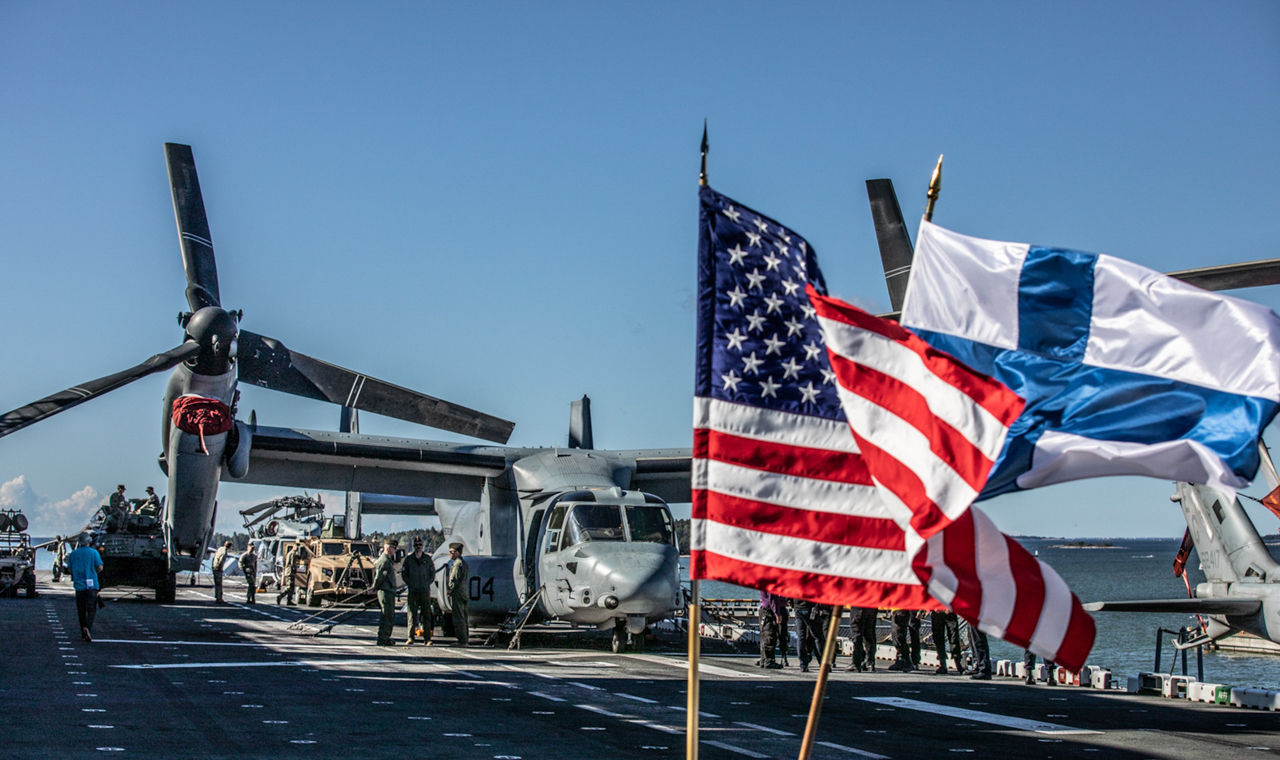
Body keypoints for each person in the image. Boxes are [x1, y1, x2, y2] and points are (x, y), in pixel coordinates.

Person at [67, 532, 104, 642]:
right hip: (92, 585)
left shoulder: (73, 554)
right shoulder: (94, 553)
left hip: (79, 585)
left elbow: (69, 569)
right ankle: (87, 627)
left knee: (81, 610)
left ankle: (83, 633)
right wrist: (93, 572)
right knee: (92, 610)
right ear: (89, 542)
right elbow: (100, 567)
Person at [402, 537, 434, 646]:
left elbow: (432, 574)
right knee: (412, 615)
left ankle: (427, 639)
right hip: (413, 591)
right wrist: (410, 583)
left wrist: (426, 583)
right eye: (416, 544)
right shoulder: (409, 560)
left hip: (425, 591)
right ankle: (410, 637)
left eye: (420, 544)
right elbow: (404, 574)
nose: (418, 546)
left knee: (427, 615)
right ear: (413, 545)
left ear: (422, 545)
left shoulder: (427, 559)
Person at [372, 538, 399, 646]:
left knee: (389, 614)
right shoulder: (384, 561)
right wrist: (375, 588)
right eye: (394, 548)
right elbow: (379, 577)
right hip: (385, 591)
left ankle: (386, 636)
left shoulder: (387, 560)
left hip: (389, 590)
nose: (395, 551)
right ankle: (383, 637)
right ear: (388, 548)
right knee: (387, 614)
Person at [793, 600, 831, 673]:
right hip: (810, 608)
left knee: (801, 637)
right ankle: (823, 663)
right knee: (818, 637)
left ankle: (803, 664)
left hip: (798, 608)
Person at [446, 542, 470, 647]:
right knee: (464, 616)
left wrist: (450, 589)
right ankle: (465, 638)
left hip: (458, 592)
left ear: (457, 552)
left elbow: (454, 579)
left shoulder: (457, 564)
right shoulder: (463, 563)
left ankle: (462, 640)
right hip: (463, 591)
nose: (450, 554)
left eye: (451, 552)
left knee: (458, 616)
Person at [757, 591, 786, 669]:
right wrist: (777, 613)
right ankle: (769, 661)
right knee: (770, 636)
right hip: (768, 610)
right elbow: (772, 598)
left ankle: (764, 659)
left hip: (764, 609)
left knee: (764, 636)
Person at [930, 610, 964, 675]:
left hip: (950, 612)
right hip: (936, 612)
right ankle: (942, 664)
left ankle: (958, 664)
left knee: (954, 638)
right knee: (938, 639)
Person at [846, 607, 878, 672]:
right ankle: (870, 662)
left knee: (857, 633)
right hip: (872, 606)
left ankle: (856, 662)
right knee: (869, 634)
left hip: (858, 606)